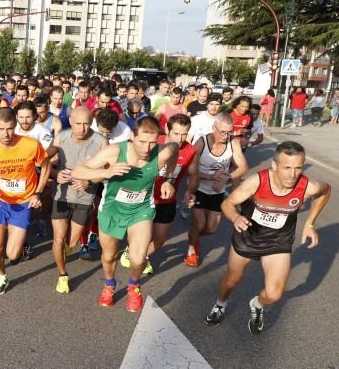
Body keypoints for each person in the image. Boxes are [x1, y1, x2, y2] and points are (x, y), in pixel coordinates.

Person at [205, 142, 330, 334]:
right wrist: (236, 217)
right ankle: (220, 304)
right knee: (231, 281)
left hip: (277, 242)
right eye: (287, 167)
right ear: (274, 166)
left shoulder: (308, 186)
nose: (292, 174)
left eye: (298, 168)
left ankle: (257, 305)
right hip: (248, 237)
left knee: (274, 294)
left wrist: (310, 223)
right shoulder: (257, 182)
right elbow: (227, 204)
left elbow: (325, 191)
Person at [72, 116, 178, 312]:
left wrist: (168, 179)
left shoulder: (162, 152)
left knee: (138, 259)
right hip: (112, 210)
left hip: (141, 210)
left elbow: (174, 149)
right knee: (110, 255)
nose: (147, 148)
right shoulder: (114, 152)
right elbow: (78, 171)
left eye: (153, 142)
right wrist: (106, 173)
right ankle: (109, 285)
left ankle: (134, 287)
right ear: (132, 137)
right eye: (142, 142)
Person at [0, 107, 49, 295]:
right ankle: (1, 276)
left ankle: (21, 244)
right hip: (0, 202)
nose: (6, 134)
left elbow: (46, 165)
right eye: (1, 129)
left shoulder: (31, 145)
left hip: (23, 202)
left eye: (10, 128)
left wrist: (38, 193)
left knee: (12, 254)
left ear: (15, 126)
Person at [122, 114, 196, 275]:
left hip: (166, 200)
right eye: (176, 133)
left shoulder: (190, 150)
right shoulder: (153, 144)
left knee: (160, 238)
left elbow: (194, 174)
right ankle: (138, 255)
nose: (181, 138)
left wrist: (190, 191)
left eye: (185, 133)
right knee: (140, 235)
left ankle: (141, 255)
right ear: (167, 130)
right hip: (144, 199)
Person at [48, 107, 105, 293]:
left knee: (71, 243)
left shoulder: (100, 142)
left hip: (84, 198)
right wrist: (55, 174)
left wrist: (89, 181)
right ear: (70, 122)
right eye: (78, 123)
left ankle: (66, 251)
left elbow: (108, 170)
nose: (82, 128)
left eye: (86, 123)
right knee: (58, 239)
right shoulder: (61, 138)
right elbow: (43, 159)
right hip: (62, 195)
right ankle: (62, 275)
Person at [184, 113, 249, 267]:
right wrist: (211, 177)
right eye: (222, 132)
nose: (226, 136)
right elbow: (189, 170)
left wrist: (226, 177)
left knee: (212, 229)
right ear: (214, 128)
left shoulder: (233, 143)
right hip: (198, 188)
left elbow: (244, 167)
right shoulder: (201, 143)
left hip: (217, 193)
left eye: (229, 132)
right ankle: (191, 249)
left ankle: (194, 238)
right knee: (199, 224)